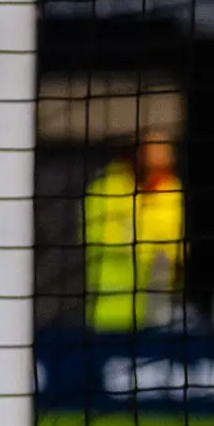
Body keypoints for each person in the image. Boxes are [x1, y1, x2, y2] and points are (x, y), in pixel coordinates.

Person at [84, 135, 182, 331]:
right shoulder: (107, 188)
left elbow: (174, 246)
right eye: (154, 168)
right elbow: (111, 239)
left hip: (155, 311)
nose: (160, 174)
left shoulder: (171, 190)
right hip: (109, 313)